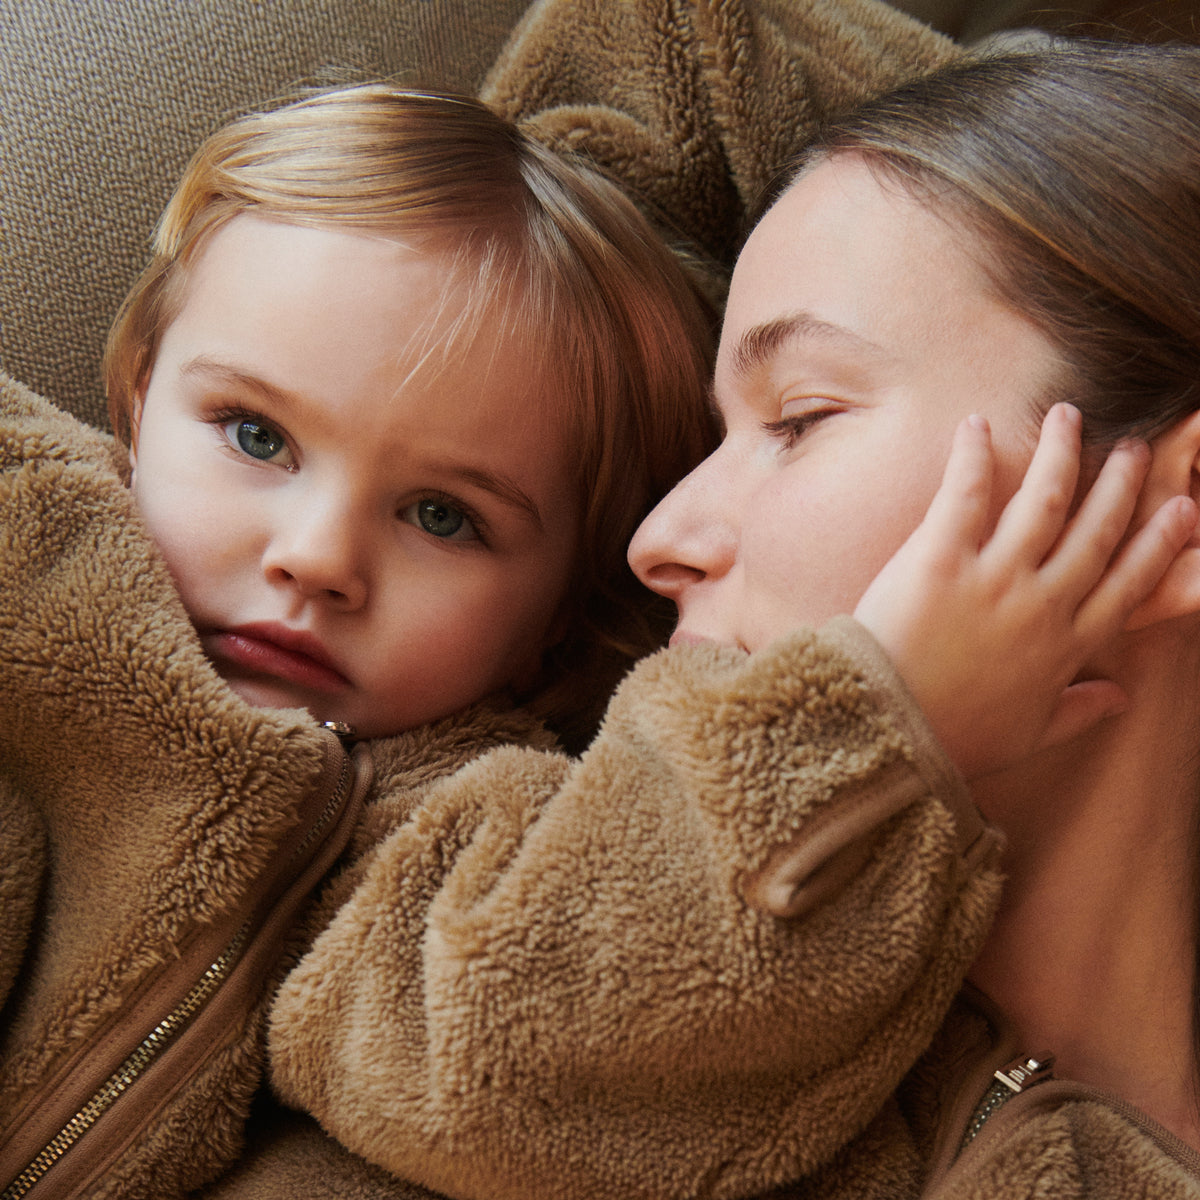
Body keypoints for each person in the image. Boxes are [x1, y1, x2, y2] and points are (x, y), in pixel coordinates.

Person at [227, 38, 1200, 1200]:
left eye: (798, 418)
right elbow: (668, 38)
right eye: (708, 440)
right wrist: (868, 735)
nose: (657, 537)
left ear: (1175, 503)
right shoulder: (494, 914)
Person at [0, 81, 716, 1198]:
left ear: (556, 623)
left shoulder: (474, 849)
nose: (319, 557)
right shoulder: (25, 550)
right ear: (139, 401)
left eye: (443, 517)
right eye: (256, 435)